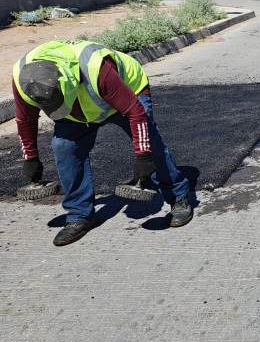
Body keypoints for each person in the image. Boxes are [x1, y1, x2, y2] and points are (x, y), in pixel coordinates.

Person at [12, 40, 193, 246]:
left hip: (127, 91)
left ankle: (178, 197)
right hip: (79, 112)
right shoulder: (25, 77)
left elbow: (135, 112)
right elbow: (25, 121)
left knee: (151, 141)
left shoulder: (96, 67)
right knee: (64, 147)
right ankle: (80, 215)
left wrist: (143, 156)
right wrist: (31, 159)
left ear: (68, 82)